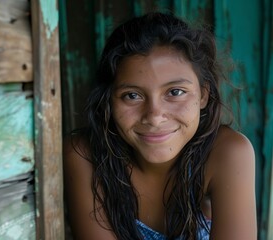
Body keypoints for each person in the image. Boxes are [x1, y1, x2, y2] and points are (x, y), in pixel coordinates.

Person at [63, 11, 256, 240]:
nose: (154, 117)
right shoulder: (84, 155)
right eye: (132, 96)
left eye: (175, 92)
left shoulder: (226, 153)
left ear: (203, 95)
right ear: (109, 100)